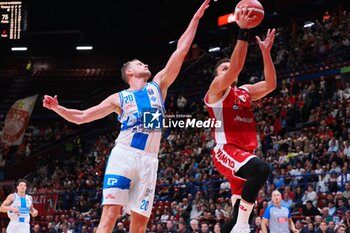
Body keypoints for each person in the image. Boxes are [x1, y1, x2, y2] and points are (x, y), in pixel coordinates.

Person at [42, 1, 210, 233]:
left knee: (139, 225)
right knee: (110, 215)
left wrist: (196, 19)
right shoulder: (118, 98)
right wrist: (58, 109)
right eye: (141, 63)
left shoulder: (158, 86)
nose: (147, 64)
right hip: (124, 155)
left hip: (149, 160)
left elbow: (181, 50)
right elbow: (81, 117)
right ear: (130, 72)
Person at [204, 7, 276, 233]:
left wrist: (265, 52)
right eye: (223, 69)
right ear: (218, 76)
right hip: (227, 150)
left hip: (246, 154)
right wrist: (243, 31)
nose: (229, 71)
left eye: (228, 67)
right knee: (262, 169)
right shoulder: (216, 91)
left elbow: (270, 85)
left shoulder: (244, 91)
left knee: (238, 215)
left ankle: (239, 225)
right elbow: (235, 67)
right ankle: (243, 226)